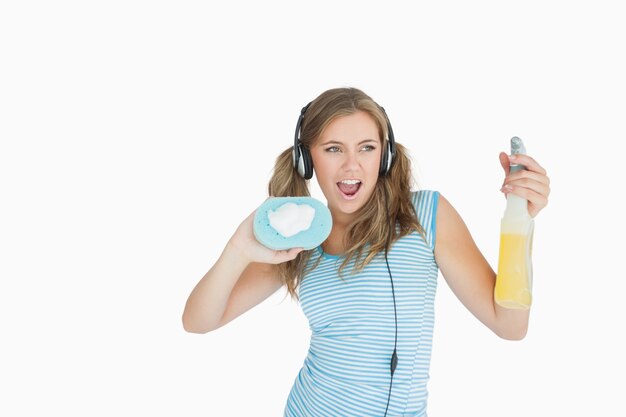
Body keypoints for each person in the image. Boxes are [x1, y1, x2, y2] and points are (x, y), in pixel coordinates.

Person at [182, 87, 551, 417]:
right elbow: (198, 321)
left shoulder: (425, 216)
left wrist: (520, 219)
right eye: (332, 149)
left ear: (385, 156)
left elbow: (510, 326)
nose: (351, 165)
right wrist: (237, 249)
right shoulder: (301, 237)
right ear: (306, 160)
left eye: (367, 148)